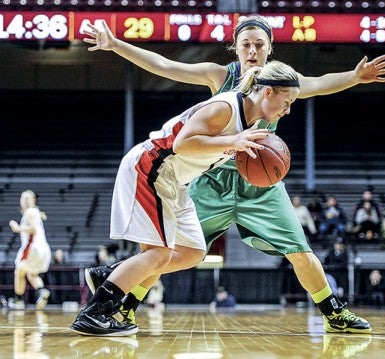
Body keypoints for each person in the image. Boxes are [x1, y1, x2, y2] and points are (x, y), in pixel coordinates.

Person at [81, 14, 385, 334]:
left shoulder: (281, 83)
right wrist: (116, 45)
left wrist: (355, 76)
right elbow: (165, 66)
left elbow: (320, 83)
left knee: (300, 250)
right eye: (246, 45)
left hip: (260, 184)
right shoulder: (220, 77)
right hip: (212, 179)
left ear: (270, 48)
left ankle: (334, 312)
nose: (253, 51)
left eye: (259, 45)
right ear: (236, 48)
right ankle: (125, 303)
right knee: (167, 251)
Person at [70, 60, 302, 336]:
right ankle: (95, 313)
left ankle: (109, 276)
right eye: (286, 102)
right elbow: (182, 144)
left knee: (192, 252)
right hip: (151, 168)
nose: (287, 111)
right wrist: (232, 142)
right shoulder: (226, 108)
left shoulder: (252, 122)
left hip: (175, 182)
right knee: (158, 253)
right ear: (268, 93)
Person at [7, 190, 52, 310]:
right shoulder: (35, 212)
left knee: (19, 272)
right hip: (44, 250)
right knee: (31, 274)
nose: (25, 200)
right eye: (23, 198)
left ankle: (18, 301)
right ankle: (41, 291)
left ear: (33, 200)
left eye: (28, 198)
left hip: (33, 248)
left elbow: (32, 229)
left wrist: (17, 228)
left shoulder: (30, 211)